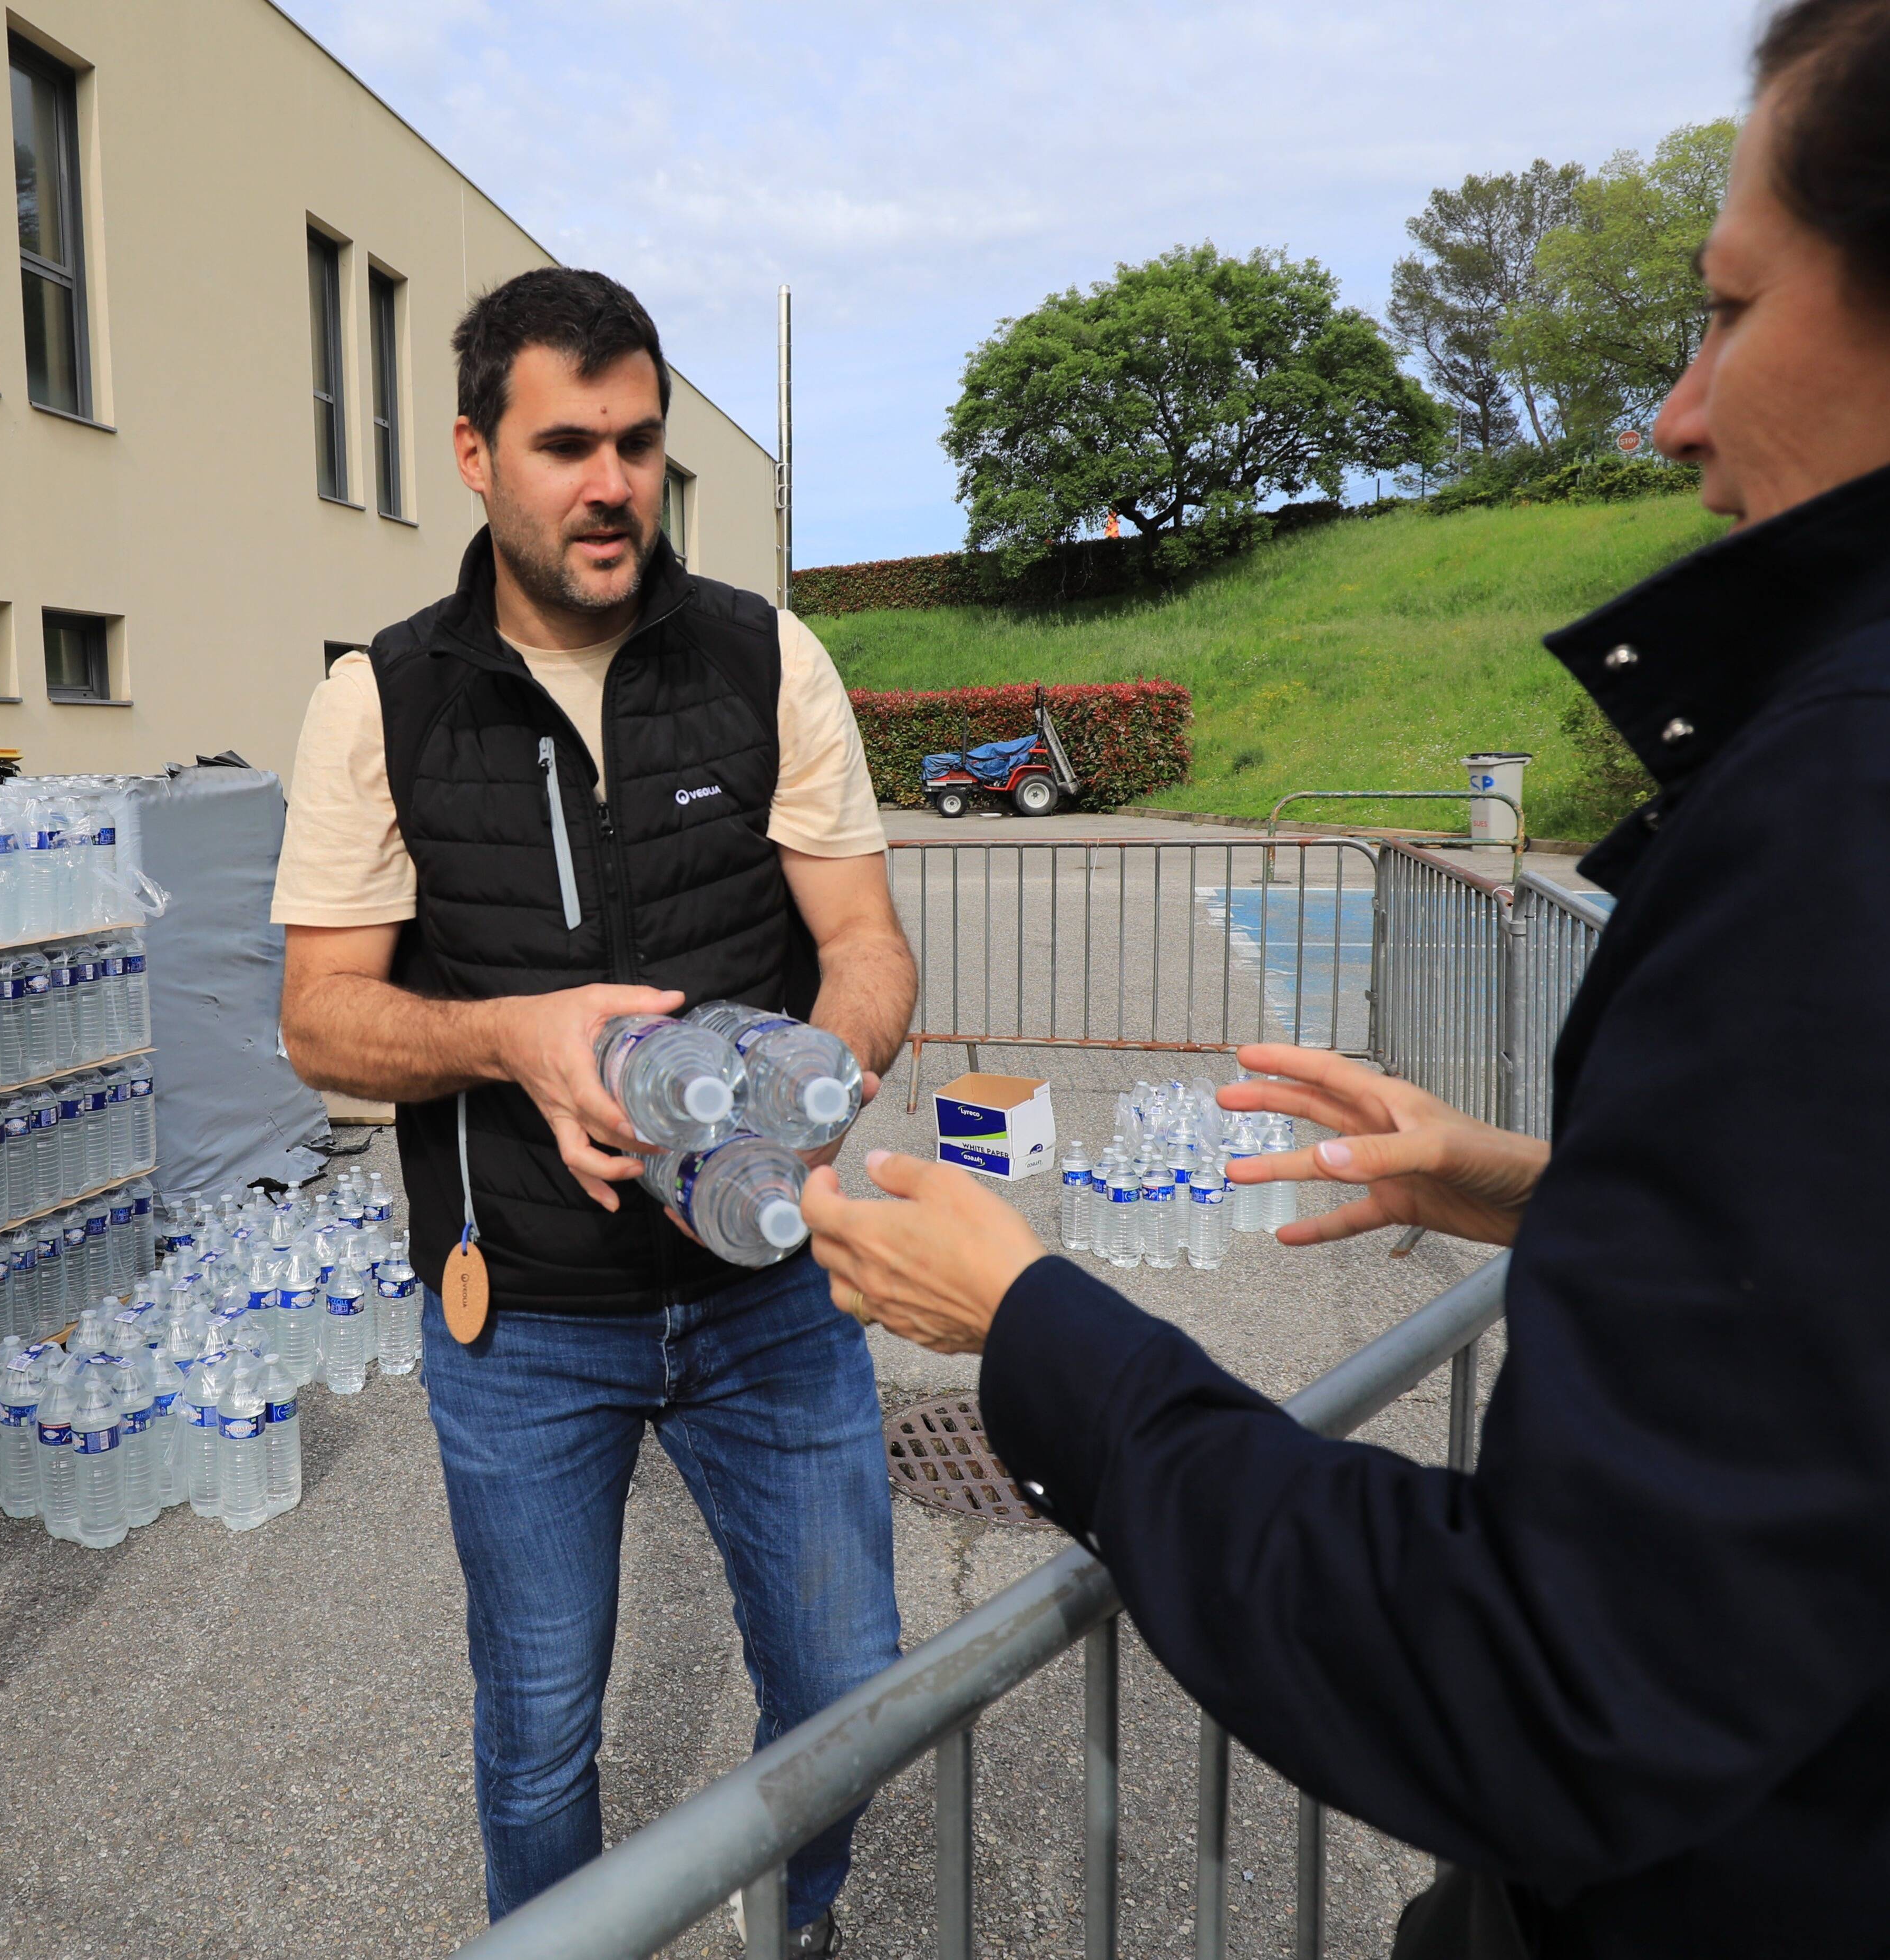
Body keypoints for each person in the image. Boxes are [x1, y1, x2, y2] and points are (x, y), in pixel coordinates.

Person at [801, 7, 1890, 1952]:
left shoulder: (1843, 804)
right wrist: (1543, 1196)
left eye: (1725, 307)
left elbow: (1549, 1684)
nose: (1673, 412)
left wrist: (1038, 1324)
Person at [275, 268, 919, 1949]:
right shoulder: (383, 699)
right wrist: (515, 1041)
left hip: (769, 1296)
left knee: (855, 1685)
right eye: (569, 444)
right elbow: (319, 1021)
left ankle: (799, 1925)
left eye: (638, 442)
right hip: (526, 1322)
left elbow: (864, 949)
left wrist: (813, 1093)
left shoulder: (768, 661)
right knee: (543, 1727)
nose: (613, 482)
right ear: (478, 455)